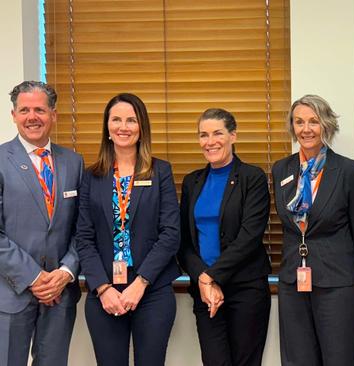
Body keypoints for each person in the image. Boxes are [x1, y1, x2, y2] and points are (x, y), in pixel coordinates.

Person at [75, 93, 180, 365]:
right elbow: (84, 238)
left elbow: (170, 234)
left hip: (152, 290)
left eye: (131, 120)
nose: (124, 126)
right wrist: (102, 287)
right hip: (104, 292)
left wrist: (141, 282)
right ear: (107, 127)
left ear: (141, 127)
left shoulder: (160, 171)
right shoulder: (92, 176)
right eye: (117, 119)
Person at [272, 95, 354, 366]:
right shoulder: (281, 169)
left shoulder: (350, 172)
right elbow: (287, 227)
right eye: (299, 122)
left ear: (326, 125)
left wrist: (346, 272)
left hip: (337, 283)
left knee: (339, 359)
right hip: (293, 281)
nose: (306, 129)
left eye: (314, 121)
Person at [178, 108, 271, 366]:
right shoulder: (192, 181)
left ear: (233, 135)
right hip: (205, 292)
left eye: (217, 133)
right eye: (203, 135)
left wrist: (211, 276)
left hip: (246, 289)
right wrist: (204, 281)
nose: (210, 142)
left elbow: (249, 237)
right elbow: (184, 241)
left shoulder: (252, 178)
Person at [0, 80, 83, 366]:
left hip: (60, 293)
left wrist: (64, 272)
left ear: (54, 115)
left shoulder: (74, 162)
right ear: (13, 115)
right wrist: (36, 278)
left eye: (40, 109)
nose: (32, 117)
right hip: (11, 293)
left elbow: (82, 228)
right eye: (24, 110)